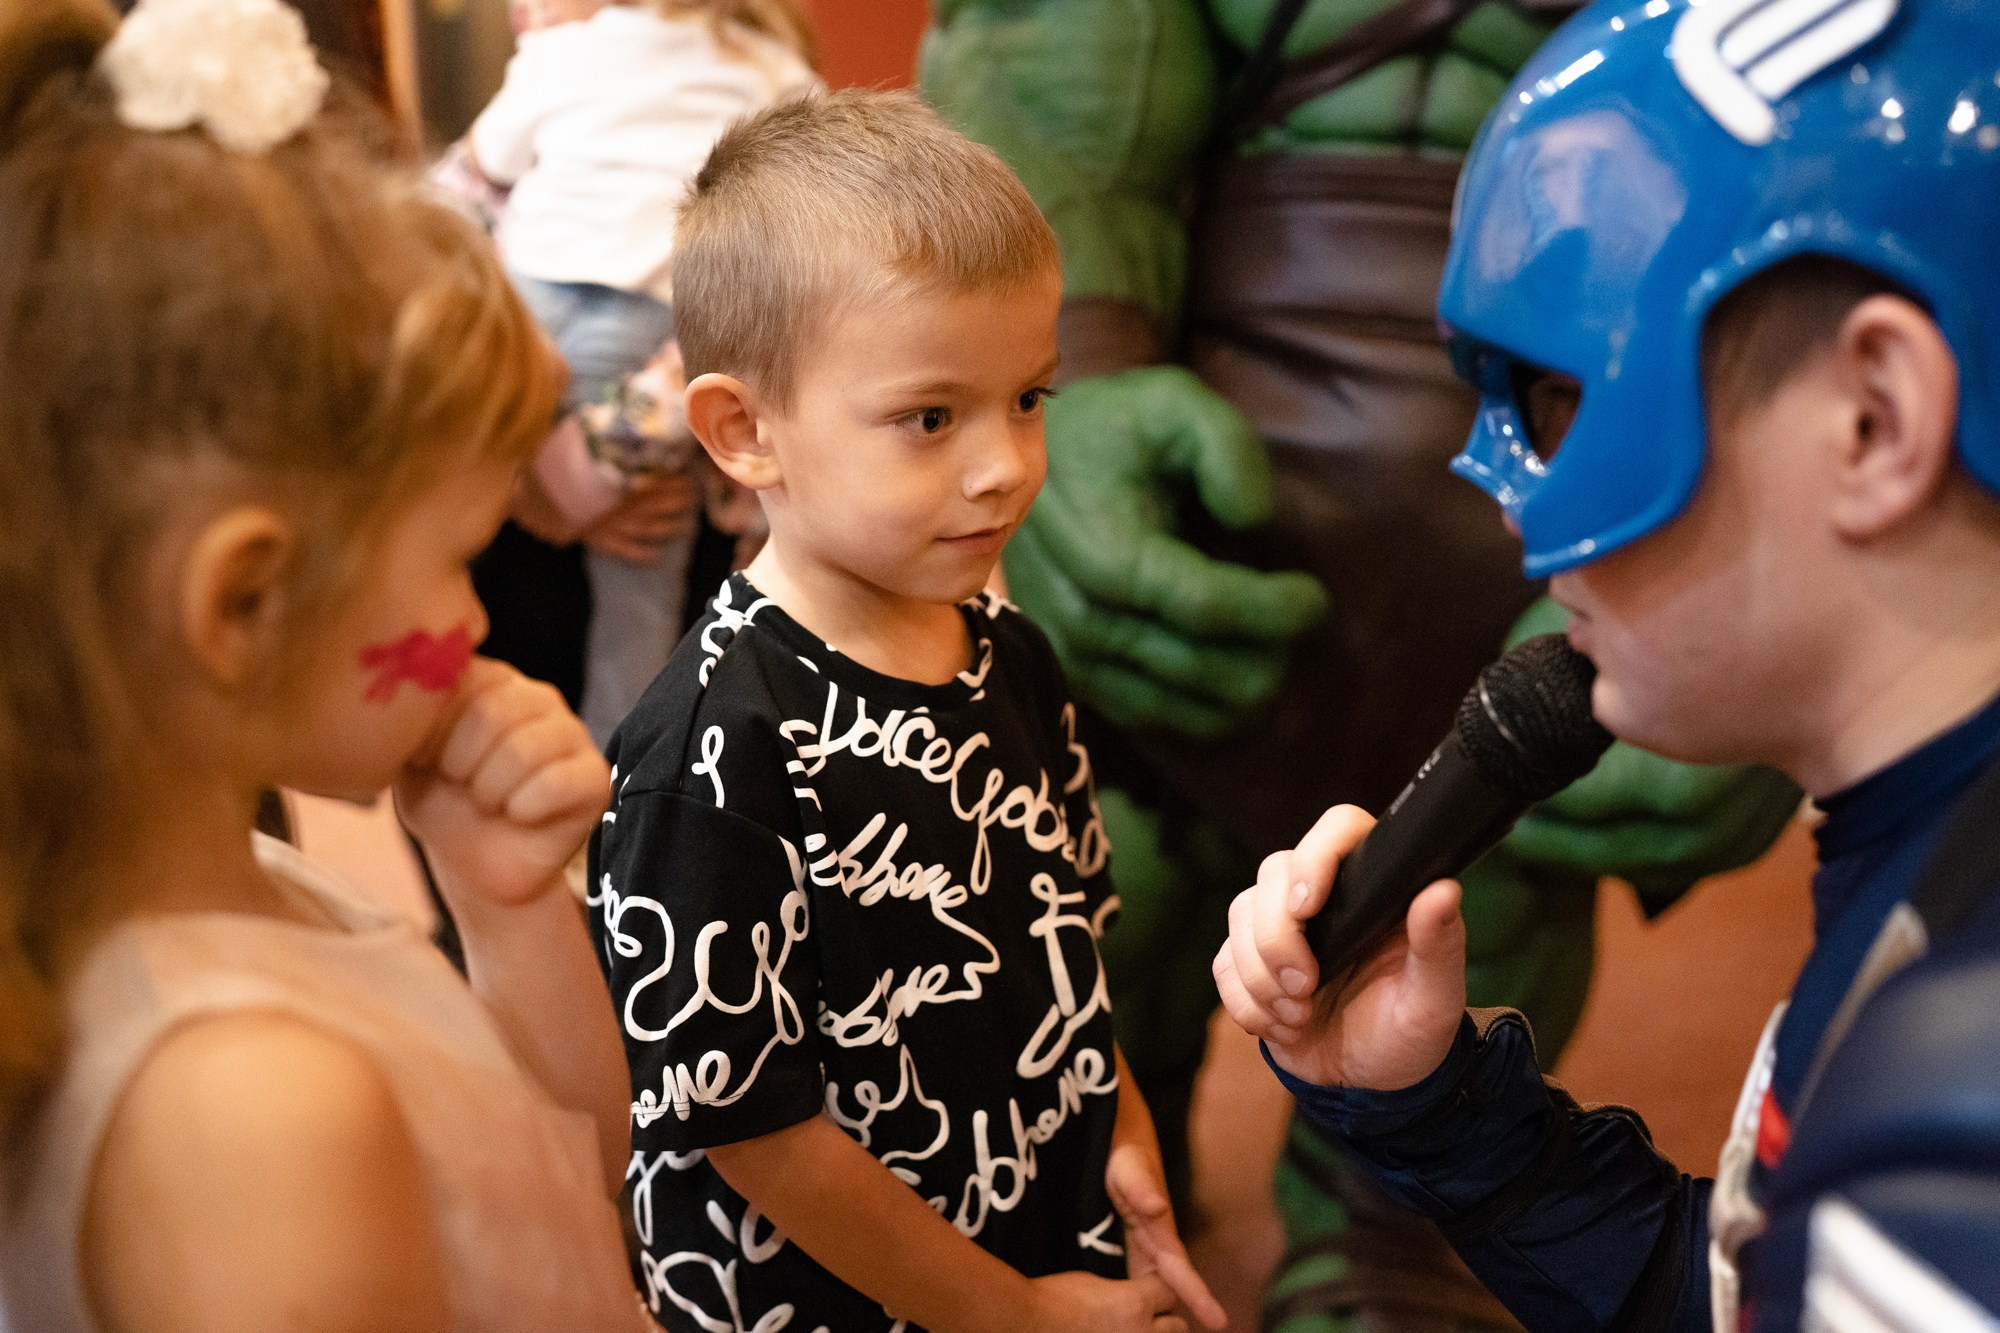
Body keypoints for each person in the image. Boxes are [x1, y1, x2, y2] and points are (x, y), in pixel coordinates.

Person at [1214, 0, 2000, 1327]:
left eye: (1564, 399)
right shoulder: (1930, 866)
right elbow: (1761, 1287)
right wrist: (1450, 1118)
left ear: (1876, 421)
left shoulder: (1952, 1121)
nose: (1511, 501)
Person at [0, 0, 652, 1328]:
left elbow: (559, 1184)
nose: (472, 624)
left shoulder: (250, 893)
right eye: (457, 557)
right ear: (242, 602)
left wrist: (510, 905)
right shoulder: (243, 1115)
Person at [586, 89, 1229, 1333]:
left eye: (1029, 398)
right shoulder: (708, 755)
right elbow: (754, 1133)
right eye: (929, 417)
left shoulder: (1014, 658)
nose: (1003, 464)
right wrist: (1014, 1317)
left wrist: (1123, 1133)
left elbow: (1068, 944)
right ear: (743, 431)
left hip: (1033, 1232)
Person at [464, 0, 818, 744]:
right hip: (653, 331)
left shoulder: (559, 58)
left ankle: (548, 470)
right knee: (641, 589)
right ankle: (617, 767)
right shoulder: (769, 70)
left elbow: (471, 179)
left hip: (527, 297)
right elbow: (815, 240)